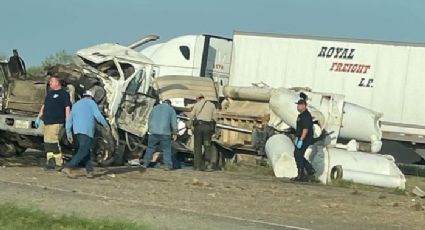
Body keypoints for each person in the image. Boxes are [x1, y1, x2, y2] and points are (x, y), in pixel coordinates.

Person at [62, 90, 109, 178]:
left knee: (86, 150)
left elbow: (69, 119)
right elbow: (98, 116)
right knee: (83, 150)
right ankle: (69, 166)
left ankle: (89, 171)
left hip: (77, 131)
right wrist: (106, 125)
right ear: (91, 97)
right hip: (87, 130)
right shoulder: (91, 103)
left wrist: (69, 133)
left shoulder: (76, 104)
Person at [35, 74, 71, 170]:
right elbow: (44, 105)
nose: (49, 83)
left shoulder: (64, 94)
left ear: (57, 82)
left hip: (56, 121)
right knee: (47, 142)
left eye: (51, 81)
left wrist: (68, 122)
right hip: (47, 121)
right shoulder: (50, 94)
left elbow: (67, 108)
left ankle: (59, 162)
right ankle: (50, 161)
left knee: (53, 141)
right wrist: (39, 117)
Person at [143, 99, 177, 170]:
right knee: (166, 149)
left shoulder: (155, 108)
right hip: (165, 132)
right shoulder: (171, 110)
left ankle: (145, 164)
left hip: (153, 132)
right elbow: (174, 123)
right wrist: (175, 133)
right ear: (170, 104)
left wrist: (149, 129)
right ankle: (167, 166)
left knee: (150, 148)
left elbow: (149, 119)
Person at [190, 93, 217, 171]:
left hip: (198, 127)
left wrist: (190, 125)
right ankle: (208, 165)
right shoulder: (212, 105)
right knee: (207, 146)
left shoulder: (197, 105)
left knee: (197, 147)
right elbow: (215, 118)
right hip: (208, 127)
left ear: (198, 98)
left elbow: (191, 116)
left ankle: (197, 166)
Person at [292, 98, 316, 182]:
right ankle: (309, 170)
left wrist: (301, 139)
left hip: (305, 138)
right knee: (298, 154)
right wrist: (297, 138)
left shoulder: (306, 115)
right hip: (300, 137)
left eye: (299, 105)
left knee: (298, 154)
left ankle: (301, 175)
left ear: (303, 106)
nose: (297, 107)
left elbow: (305, 129)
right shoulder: (301, 115)